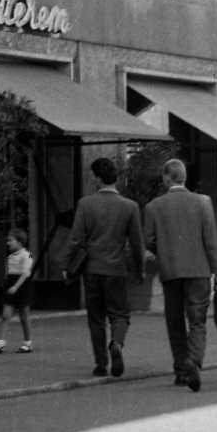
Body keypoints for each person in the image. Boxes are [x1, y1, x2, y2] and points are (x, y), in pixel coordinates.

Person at [142, 158, 217, 392]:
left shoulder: (153, 207)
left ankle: (179, 370)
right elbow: (211, 242)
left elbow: (149, 241)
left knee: (174, 320)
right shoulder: (204, 202)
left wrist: (160, 252)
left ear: (167, 178)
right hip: (199, 271)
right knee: (197, 321)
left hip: (171, 270)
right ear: (184, 177)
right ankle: (193, 360)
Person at [65, 157, 145, 378]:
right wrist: (140, 269)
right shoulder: (130, 207)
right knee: (120, 313)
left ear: (98, 179)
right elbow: (137, 243)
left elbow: (75, 239)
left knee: (96, 317)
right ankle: (116, 343)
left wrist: (67, 265)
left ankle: (101, 364)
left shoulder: (85, 204)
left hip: (91, 270)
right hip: (116, 270)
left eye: (93, 176)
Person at [0, 230, 34, 353]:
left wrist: (16, 286)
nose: (7, 243)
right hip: (10, 284)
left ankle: (27, 343)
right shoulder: (9, 257)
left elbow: (26, 272)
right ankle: (1, 342)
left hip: (22, 286)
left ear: (20, 242)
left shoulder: (27, 255)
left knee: (24, 317)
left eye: (10, 240)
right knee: (5, 315)